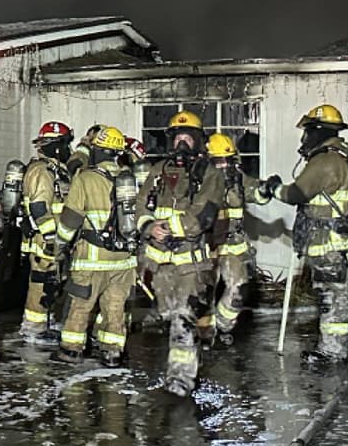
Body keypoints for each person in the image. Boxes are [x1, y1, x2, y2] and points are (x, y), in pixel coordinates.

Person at [261, 104, 348, 368]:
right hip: (344, 241)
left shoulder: (326, 161)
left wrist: (274, 188)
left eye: (307, 132)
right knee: (345, 298)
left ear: (317, 130)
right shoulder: (345, 155)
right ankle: (347, 348)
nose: (304, 139)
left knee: (331, 298)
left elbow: (296, 194)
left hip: (328, 244)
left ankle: (331, 352)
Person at [136, 111, 226, 397]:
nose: (182, 143)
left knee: (183, 322)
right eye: (178, 137)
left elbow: (203, 215)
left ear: (198, 141)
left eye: (188, 137)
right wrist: (150, 226)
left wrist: (171, 228)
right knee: (168, 317)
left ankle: (180, 382)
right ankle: (177, 372)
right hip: (159, 265)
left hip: (190, 265)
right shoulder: (158, 171)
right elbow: (140, 206)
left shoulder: (210, 174)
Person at [51, 126, 137, 367]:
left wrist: (59, 246)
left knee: (80, 306)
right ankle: (112, 353)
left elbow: (70, 220)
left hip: (92, 259)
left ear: (97, 151)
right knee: (115, 308)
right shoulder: (127, 179)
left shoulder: (85, 178)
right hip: (123, 261)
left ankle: (71, 350)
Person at [205, 133, 269, 344]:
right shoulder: (198, 182)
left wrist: (267, 189)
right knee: (203, 292)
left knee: (239, 289)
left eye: (228, 160)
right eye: (218, 161)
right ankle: (202, 333)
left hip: (233, 245)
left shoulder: (237, 178)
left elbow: (256, 193)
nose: (223, 166)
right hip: (207, 246)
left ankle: (223, 325)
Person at [19, 121, 74, 346]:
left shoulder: (55, 169)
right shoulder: (42, 170)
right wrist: (53, 239)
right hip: (44, 240)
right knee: (41, 282)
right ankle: (33, 328)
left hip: (52, 238)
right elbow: (39, 207)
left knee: (51, 282)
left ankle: (46, 322)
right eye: (66, 144)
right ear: (57, 147)